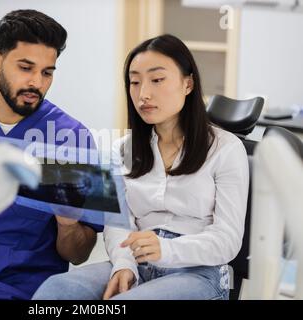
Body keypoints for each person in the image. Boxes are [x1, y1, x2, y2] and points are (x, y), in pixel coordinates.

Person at [32, 34, 249, 300]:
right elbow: (117, 225)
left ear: (188, 83)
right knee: (55, 291)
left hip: (199, 273)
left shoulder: (226, 149)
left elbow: (227, 239)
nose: (143, 94)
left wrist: (166, 249)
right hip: (138, 263)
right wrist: (124, 265)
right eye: (135, 82)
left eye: (157, 80)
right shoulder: (121, 150)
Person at [0, 9, 102, 300]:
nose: (37, 82)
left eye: (47, 72)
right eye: (26, 68)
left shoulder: (73, 139)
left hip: (24, 288)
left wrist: (68, 224)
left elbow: (78, 254)